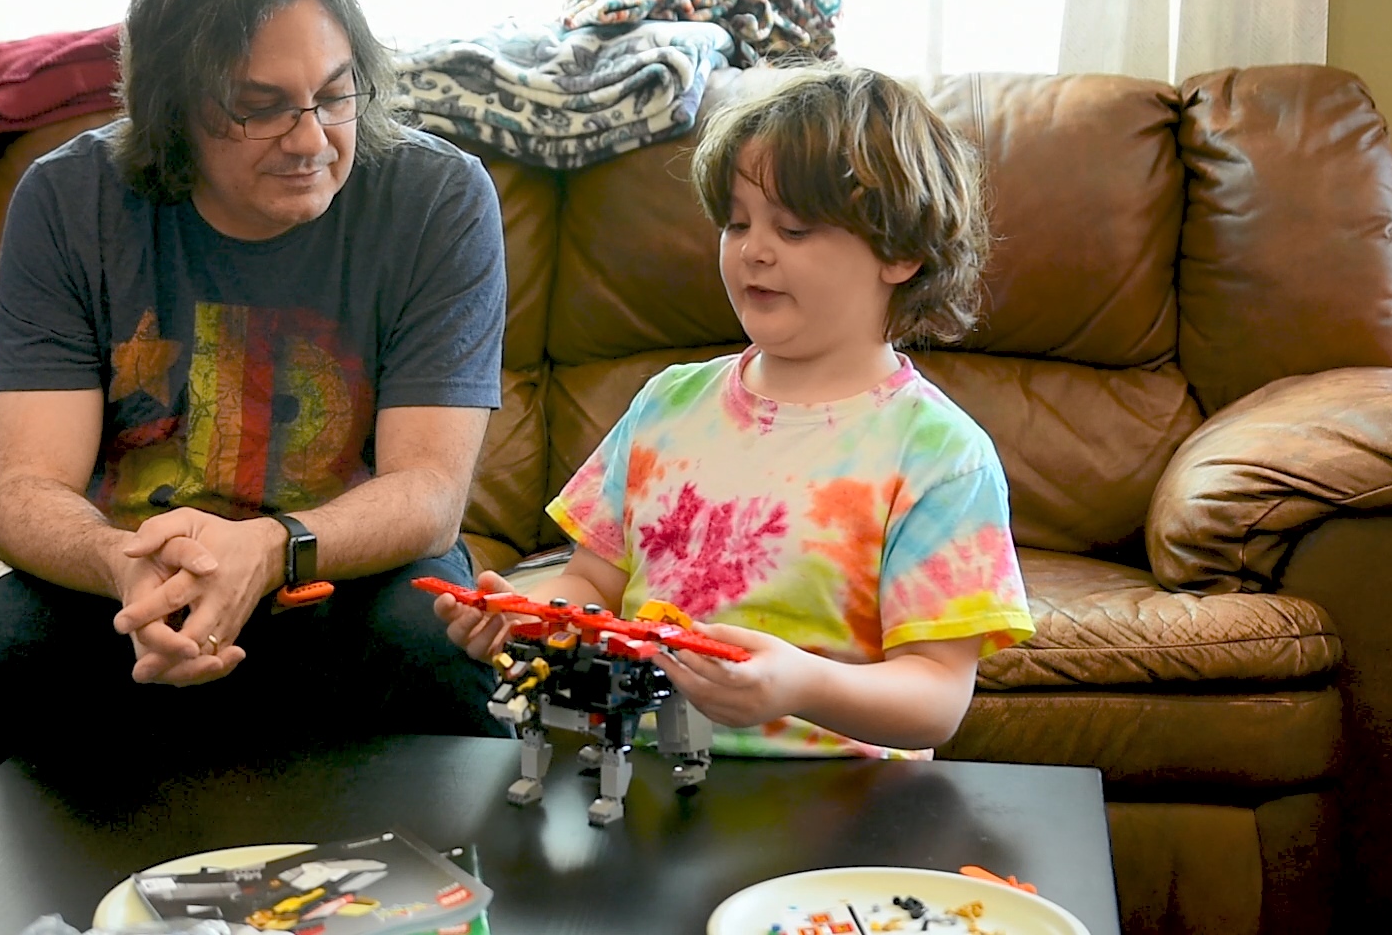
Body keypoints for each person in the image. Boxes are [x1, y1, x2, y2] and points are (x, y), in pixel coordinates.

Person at [0, 0, 509, 803]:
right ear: (175, 112)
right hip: (132, 582)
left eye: (334, 94)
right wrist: (122, 567)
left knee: (426, 638)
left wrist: (272, 550)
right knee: (7, 648)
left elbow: (429, 493)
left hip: (345, 574)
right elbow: (24, 490)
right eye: (260, 107)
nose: (312, 139)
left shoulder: (437, 197)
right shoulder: (69, 200)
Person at [434, 66, 1034, 758]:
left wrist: (801, 684)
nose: (754, 250)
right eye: (737, 223)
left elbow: (936, 698)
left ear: (901, 251)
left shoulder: (941, 454)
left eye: (795, 228)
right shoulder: (668, 402)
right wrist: (534, 617)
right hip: (639, 771)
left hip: (841, 795)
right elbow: (593, 582)